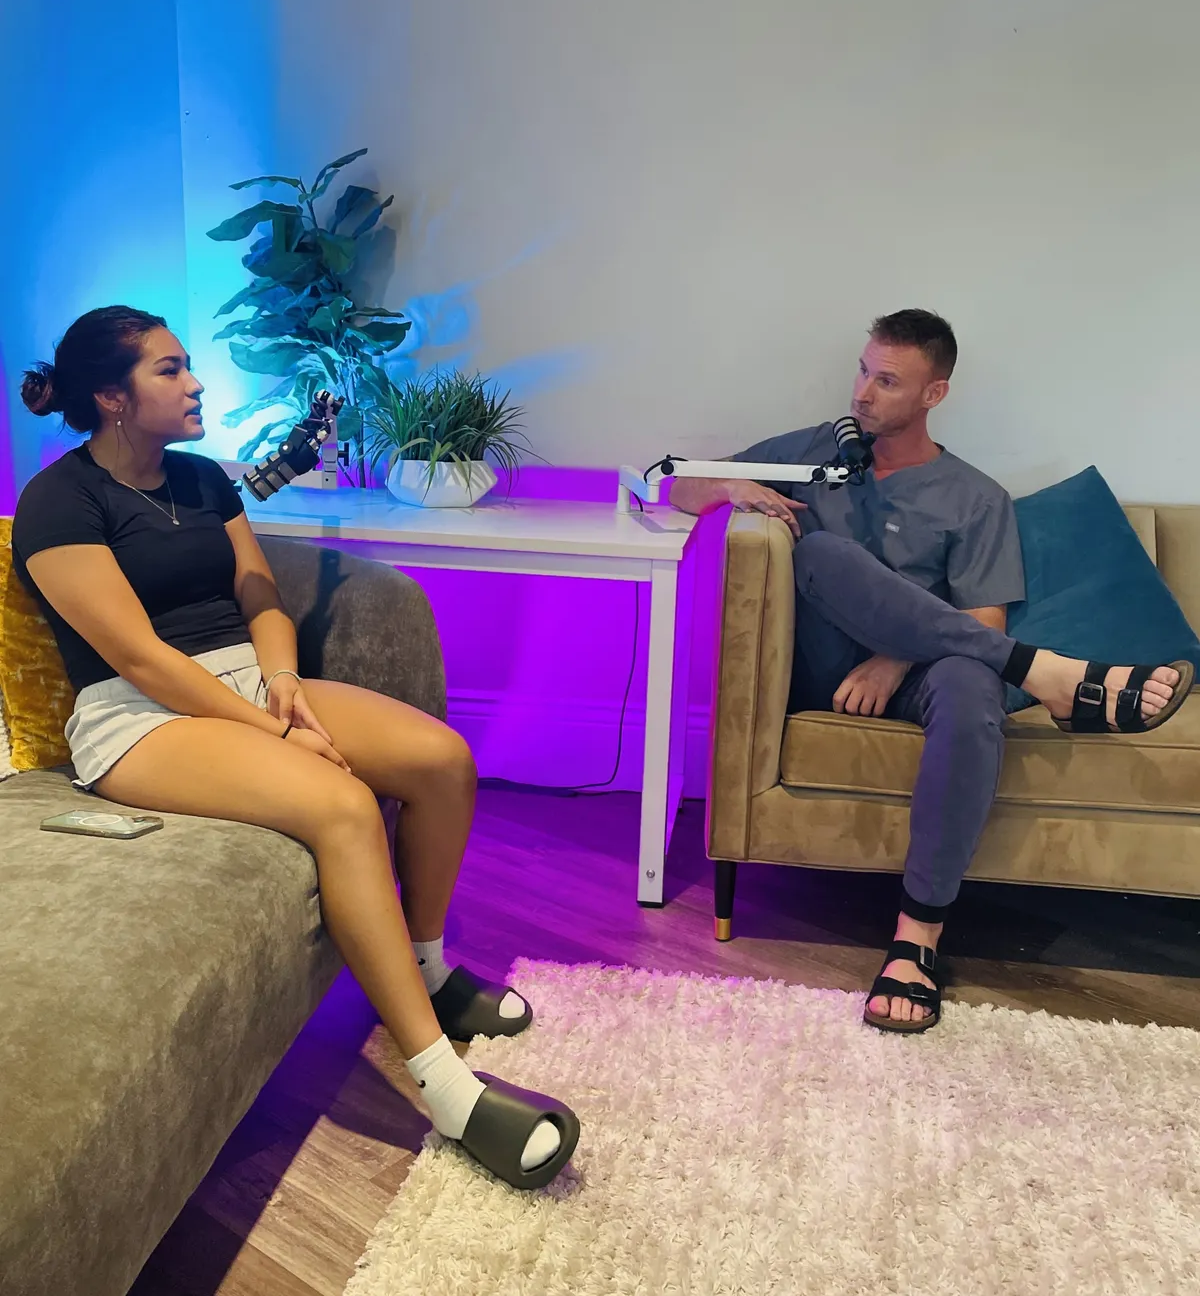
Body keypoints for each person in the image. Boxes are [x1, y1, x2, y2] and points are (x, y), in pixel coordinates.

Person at [12, 305, 578, 1189]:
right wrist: (276, 732)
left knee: (442, 761)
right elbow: (139, 658)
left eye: (188, 364)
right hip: (139, 717)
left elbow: (258, 592)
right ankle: (447, 1091)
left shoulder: (203, 479)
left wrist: (281, 682)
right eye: (169, 370)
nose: (196, 383)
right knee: (344, 807)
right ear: (112, 398)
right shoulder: (59, 501)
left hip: (245, 683)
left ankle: (428, 968)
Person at [669, 309, 1192, 1035]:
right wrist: (732, 491)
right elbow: (673, 483)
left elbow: (983, 625)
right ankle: (1049, 676)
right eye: (863, 370)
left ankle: (916, 943)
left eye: (887, 381)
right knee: (821, 553)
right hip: (821, 668)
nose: (863, 392)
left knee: (975, 683)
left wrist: (896, 658)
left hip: (919, 678)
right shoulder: (815, 452)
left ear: (933, 394)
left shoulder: (975, 497)